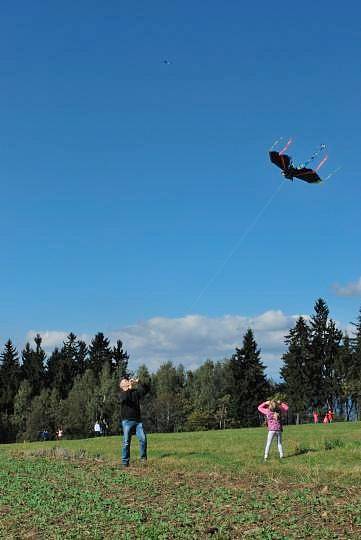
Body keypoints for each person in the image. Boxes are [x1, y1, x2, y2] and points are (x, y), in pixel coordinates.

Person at [119, 377, 149, 467]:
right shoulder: (121, 394)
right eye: (124, 381)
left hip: (138, 421)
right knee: (126, 442)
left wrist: (139, 382)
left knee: (143, 439)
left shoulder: (135, 392)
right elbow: (124, 399)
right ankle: (125, 462)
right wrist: (129, 388)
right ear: (121, 385)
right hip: (127, 421)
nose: (127, 381)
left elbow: (147, 389)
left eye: (127, 380)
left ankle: (143, 460)